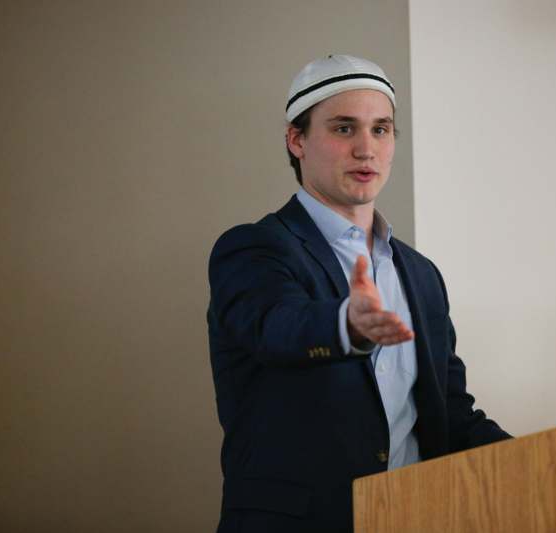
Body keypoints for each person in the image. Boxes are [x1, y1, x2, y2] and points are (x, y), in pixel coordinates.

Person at [207, 54, 511, 533]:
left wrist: (548, 455)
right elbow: (276, 327)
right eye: (344, 128)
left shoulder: (421, 274)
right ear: (296, 139)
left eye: (381, 129)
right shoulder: (254, 248)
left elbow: (448, 414)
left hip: (411, 518)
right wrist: (347, 324)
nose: (366, 149)